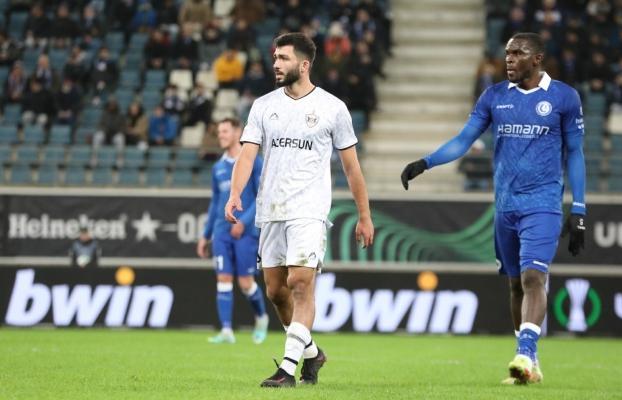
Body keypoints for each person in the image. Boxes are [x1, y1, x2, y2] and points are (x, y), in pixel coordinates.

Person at [400, 32, 586, 385]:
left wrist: (578, 209)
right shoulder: (494, 96)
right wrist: (425, 163)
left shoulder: (564, 97)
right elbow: (463, 140)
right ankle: (529, 364)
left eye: (518, 53)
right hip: (505, 208)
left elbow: (575, 153)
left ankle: (525, 353)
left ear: (537, 59)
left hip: (543, 204)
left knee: (534, 277)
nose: (509, 59)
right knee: (516, 285)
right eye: (507, 53)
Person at [224, 32, 374, 388]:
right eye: (275, 57)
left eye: (284, 58)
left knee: (301, 282)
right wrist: (235, 193)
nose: (276, 64)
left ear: (304, 65)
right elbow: (247, 155)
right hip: (272, 209)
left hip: (309, 209)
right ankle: (312, 353)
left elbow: (351, 167)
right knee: (277, 291)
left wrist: (364, 215)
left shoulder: (332, 108)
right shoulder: (263, 106)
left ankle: (287, 370)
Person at [197, 117, 269, 345]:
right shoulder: (218, 167)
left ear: (238, 132)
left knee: (246, 283)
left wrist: (244, 222)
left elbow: (261, 196)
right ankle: (226, 330)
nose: (221, 136)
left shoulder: (253, 161)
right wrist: (205, 235)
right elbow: (215, 203)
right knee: (223, 279)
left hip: (245, 232)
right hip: (221, 231)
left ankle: (261, 318)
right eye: (219, 132)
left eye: (225, 131)